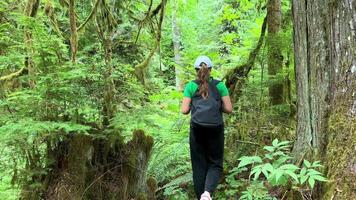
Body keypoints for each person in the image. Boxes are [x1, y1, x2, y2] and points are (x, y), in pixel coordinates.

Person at [181, 55, 232, 200]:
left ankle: (201, 197)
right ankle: (207, 193)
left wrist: (193, 105)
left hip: (197, 129)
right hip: (216, 128)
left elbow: (184, 110)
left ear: (196, 70)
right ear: (210, 69)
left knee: (198, 165)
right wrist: (218, 106)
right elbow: (229, 108)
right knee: (215, 163)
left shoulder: (191, 86)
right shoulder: (219, 85)